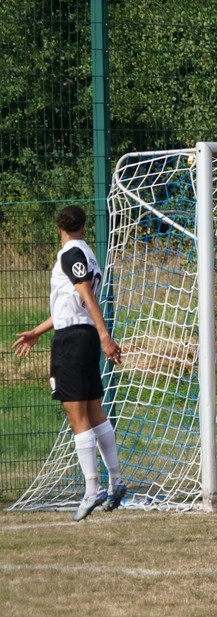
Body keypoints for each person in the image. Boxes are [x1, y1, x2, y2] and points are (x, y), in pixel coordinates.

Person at [13, 205, 127, 521]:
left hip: (74, 340)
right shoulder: (87, 254)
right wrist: (37, 331)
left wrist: (106, 336)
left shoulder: (70, 253)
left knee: (77, 416)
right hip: (84, 335)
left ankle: (93, 488)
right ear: (84, 227)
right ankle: (116, 480)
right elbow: (72, 301)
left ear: (58, 228)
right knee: (94, 411)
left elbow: (86, 296)